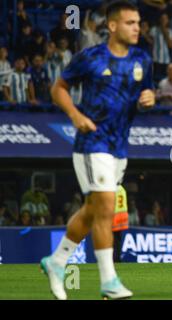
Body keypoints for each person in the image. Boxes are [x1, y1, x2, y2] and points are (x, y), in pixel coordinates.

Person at [40, 1, 155, 300]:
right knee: (105, 205)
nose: (136, 28)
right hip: (92, 143)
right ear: (113, 25)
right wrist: (76, 116)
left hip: (119, 146)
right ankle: (109, 281)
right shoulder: (90, 57)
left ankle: (57, 261)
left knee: (94, 211)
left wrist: (149, 98)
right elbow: (58, 89)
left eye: (138, 23)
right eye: (130, 22)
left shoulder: (143, 58)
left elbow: (148, 92)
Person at [112, 185, 129, 262]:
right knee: (118, 239)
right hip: (122, 217)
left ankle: (113, 259)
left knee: (112, 240)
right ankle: (117, 258)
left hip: (114, 217)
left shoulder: (111, 188)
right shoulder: (122, 189)